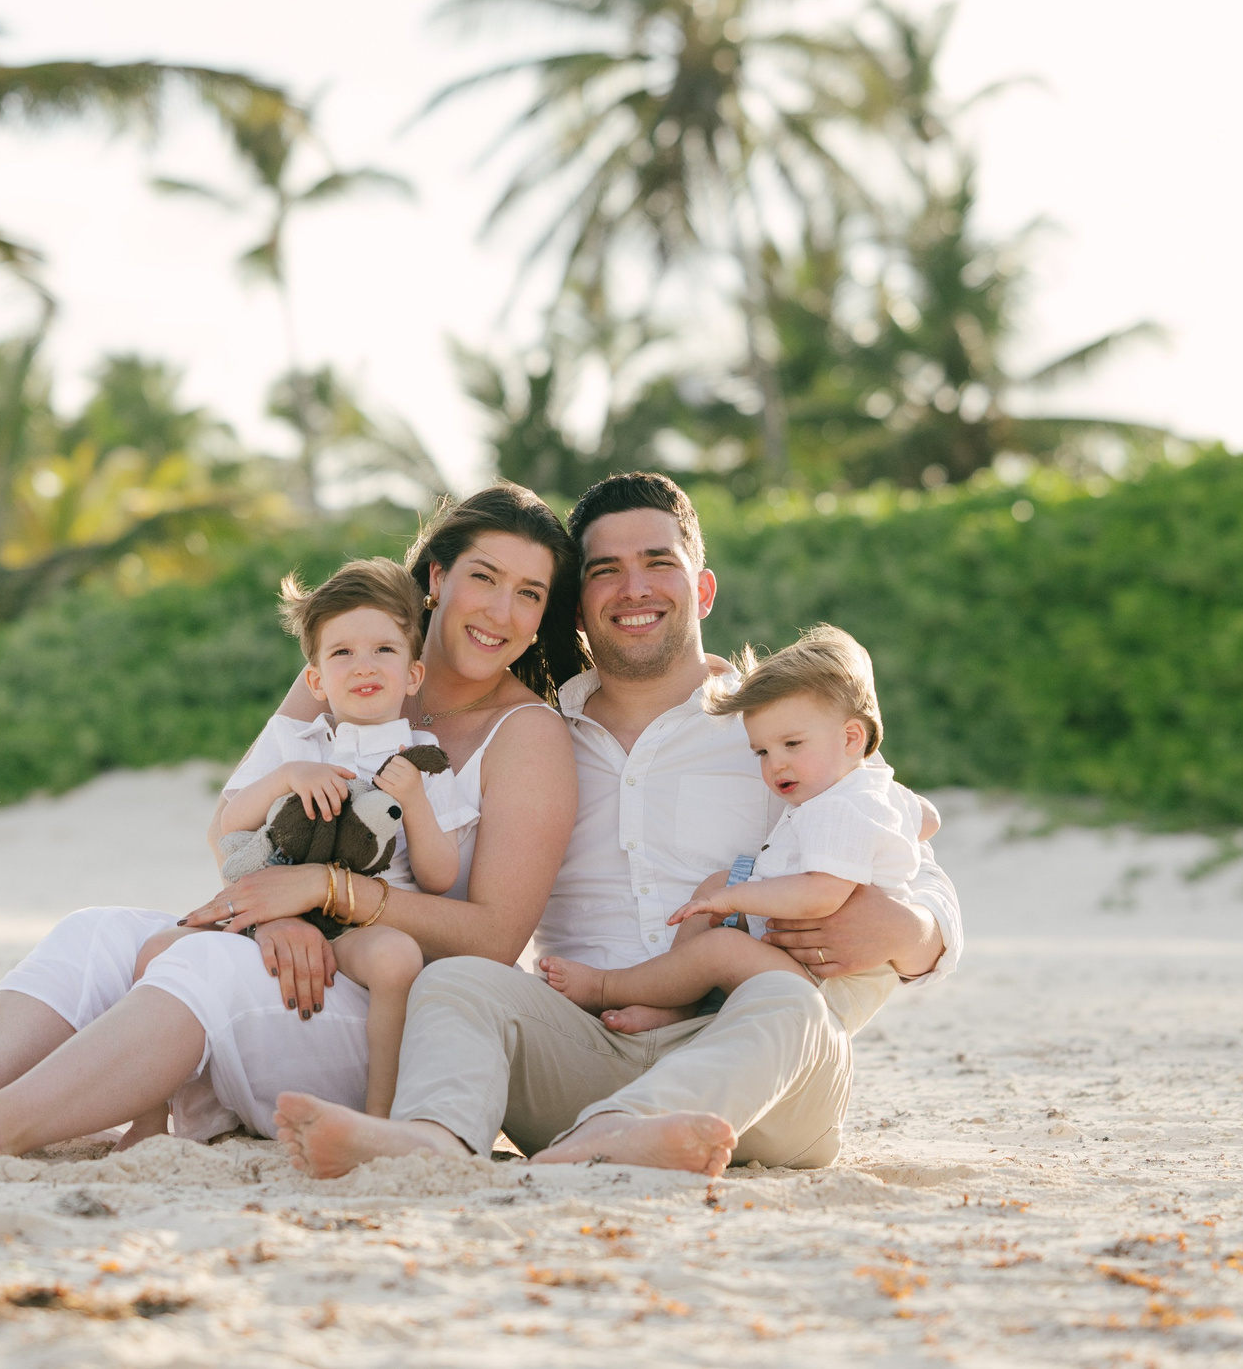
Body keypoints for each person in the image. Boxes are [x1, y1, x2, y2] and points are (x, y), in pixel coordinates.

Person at [0, 483, 583, 1162]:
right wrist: (273, 918)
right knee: (99, 933)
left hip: (391, 1015)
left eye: (530, 594)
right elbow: (230, 826)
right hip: (301, 961)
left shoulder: (528, 735)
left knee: (202, 967)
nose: (500, 611)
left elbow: (492, 941)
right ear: (439, 578)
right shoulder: (348, 663)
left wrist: (325, 892)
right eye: (484, 578)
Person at [273, 472, 965, 1180]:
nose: (634, 589)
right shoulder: (534, 737)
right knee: (458, 985)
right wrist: (291, 911)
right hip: (579, 1053)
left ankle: (629, 1130)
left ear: (702, 591)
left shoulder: (776, 730)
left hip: (756, 1076)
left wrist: (915, 934)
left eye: (658, 563)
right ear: (576, 609)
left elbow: (911, 861)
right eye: (606, 572)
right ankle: (437, 1142)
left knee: (789, 1000)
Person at [144, 557, 476, 1118]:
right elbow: (231, 824)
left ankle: (379, 1114)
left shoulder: (427, 762)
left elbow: (441, 878)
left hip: (365, 924)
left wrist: (414, 803)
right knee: (157, 950)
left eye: (384, 650)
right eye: (342, 652)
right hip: (277, 907)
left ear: (413, 674)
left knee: (397, 958)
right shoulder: (295, 740)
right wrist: (286, 777)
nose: (363, 665)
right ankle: (149, 1119)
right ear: (316, 680)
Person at [536, 623, 936, 1035]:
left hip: (822, 974)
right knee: (715, 884)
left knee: (721, 945)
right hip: (786, 938)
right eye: (762, 752)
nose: (775, 763)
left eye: (792, 745)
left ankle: (608, 986)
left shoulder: (839, 807)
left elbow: (820, 896)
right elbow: (929, 820)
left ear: (853, 737)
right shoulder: (867, 790)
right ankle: (675, 1002)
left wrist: (734, 899)